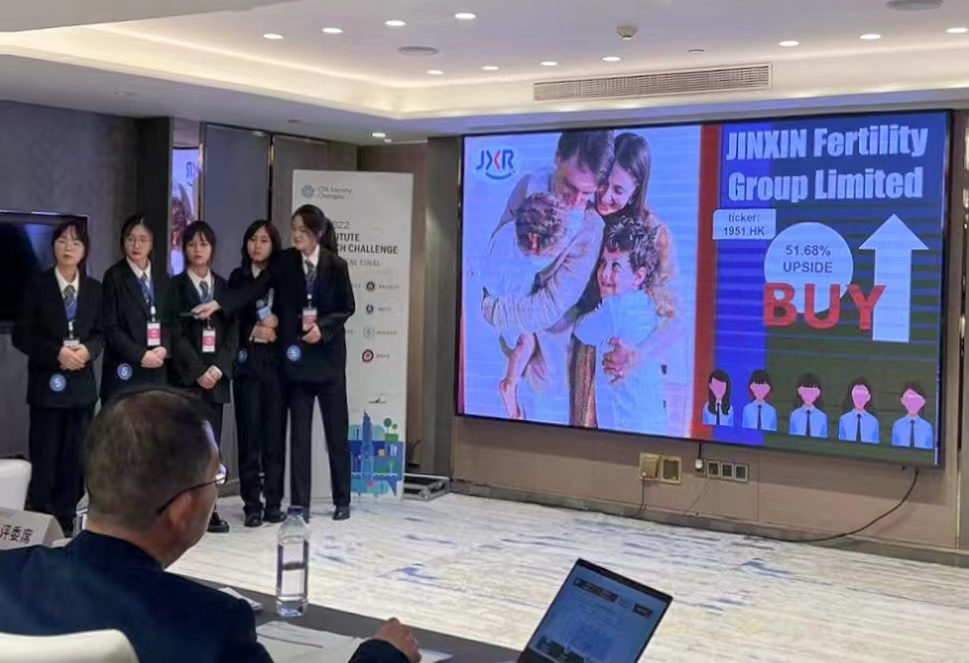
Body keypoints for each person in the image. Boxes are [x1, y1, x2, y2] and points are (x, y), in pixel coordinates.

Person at [0, 388, 421, 663]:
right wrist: (381, 655)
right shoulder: (213, 627)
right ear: (183, 510)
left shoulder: (8, 575)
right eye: (216, 478)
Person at [195, 205, 355, 521]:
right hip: (284, 364)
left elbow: (344, 306)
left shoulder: (331, 265)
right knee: (289, 438)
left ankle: (336, 500)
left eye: (302, 230)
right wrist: (222, 304)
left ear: (317, 233)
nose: (296, 234)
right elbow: (254, 291)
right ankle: (289, 503)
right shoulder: (279, 264)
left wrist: (318, 328)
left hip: (318, 362)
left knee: (328, 435)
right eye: (293, 228)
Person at [482, 130, 612, 425]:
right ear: (558, 159)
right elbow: (497, 252)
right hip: (506, 330)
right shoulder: (528, 186)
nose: (576, 200)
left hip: (549, 359)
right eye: (570, 186)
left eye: (587, 194)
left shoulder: (590, 229)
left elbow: (549, 306)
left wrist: (491, 309)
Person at [572, 133, 681, 427]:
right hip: (584, 351)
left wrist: (636, 357)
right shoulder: (582, 213)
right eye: (603, 183)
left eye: (618, 190)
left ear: (635, 192)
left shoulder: (654, 233)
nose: (605, 195)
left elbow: (678, 319)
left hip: (628, 363)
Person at [12, 219, 103, 536]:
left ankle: (66, 523)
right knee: (45, 458)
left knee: (75, 460)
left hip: (81, 391)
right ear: (53, 246)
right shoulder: (37, 285)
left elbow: (101, 333)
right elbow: (22, 336)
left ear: (84, 250)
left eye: (75, 242)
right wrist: (56, 353)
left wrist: (88, 351)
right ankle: (41, 524)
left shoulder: (94, 289)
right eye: (62, 240)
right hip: (47, 390)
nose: (68, 247)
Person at [168, 221, 238, 533]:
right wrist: (198, 371)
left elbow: (234, 334)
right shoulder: (174, 287)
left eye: (204, 244)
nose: (198, 250)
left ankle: (209, 509)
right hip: (186, 380)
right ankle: (182, 511)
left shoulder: (224, 288)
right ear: (184, 248)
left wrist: (218, 368)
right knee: (185, 444)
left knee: (212, 447)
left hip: (216, 380)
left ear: (212, 249)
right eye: (192, 244)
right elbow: (173, 333)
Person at [572, 217, 666, 435]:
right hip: (652, 421)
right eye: (602, 263)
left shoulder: (615, 308)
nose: (604, 273)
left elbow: (581, 330)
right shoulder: (647, 303)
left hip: (624, 425)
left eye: (615, 266)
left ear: (638, 276)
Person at [481, 193, 570, 419]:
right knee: (527, 341)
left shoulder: (512, 230)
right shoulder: (519, 269)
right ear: (534, 240)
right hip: (497, 303)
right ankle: (509, 386)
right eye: (552, 248)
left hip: (495, 289)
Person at [229, 220, 287, 527]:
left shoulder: (283, 279)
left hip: (277, 367)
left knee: (274, 437)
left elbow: (293, 319)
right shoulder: (238, 278)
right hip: (248, 364)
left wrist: (278, 331)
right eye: (253, 239)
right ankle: (252, 504)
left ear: (273, 245)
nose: (258, 245)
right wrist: (255, 330)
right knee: (249, 435)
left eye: (264, 240)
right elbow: (231, 320)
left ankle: (273, 503)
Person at [100, 215, 172, 403]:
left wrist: (164, 347)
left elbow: (170, 320)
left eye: (142, 239)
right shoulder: (114, 276)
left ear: (152, 243)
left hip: (156, 370)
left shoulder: (162, 277)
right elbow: (110, 327)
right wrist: (140, 355)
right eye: (130, 239)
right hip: (124, 371)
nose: (136, 245)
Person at [891, 382, 934, 449]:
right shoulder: (898, 425)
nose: (912, 403)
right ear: (902, 401)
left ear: (923, 402)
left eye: (916, 400)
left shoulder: (927, 427)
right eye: (908, 399)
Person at [838, 378, 880, 444]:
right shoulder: (844, 419)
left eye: (862, 395)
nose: (859, 399)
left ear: (868, 397)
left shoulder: (874, 421)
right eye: (856, 395)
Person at [789, 373, 828, 438]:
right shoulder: (794, 415)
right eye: (805, 392)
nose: (808, 396)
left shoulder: (822, 416)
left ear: (818, 393)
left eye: (812, 392)